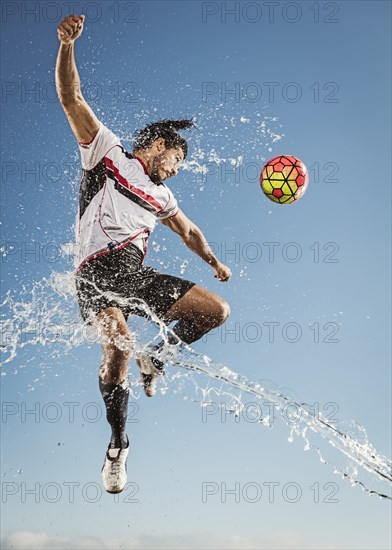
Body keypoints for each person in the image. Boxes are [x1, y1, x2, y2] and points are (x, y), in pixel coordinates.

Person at [55, 14, 232, 494]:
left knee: (215, 311)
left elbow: (188, 229)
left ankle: (156, 358)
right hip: (95, 276)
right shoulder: (106, 153)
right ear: (159, 146)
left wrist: (212, 261)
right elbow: (72, 99)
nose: (177, 171)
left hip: (134, 275)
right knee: (115, 345)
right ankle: (117, 445)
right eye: (178, 160)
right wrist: (68, 47)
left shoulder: (162, 196)